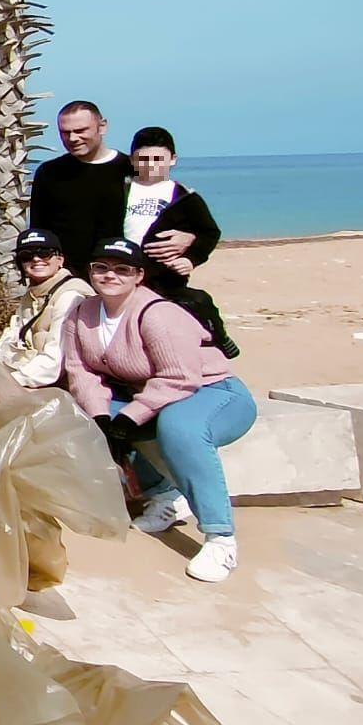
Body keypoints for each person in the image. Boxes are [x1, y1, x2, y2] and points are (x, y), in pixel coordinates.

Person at [63, 239, 255, 583]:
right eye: (101, 267)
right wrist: (102, 417)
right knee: (80, 419)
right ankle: (166, 495)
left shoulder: (158, 314)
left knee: (178, 427)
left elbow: (180, 377)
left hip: (213, 392)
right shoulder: (82, 313)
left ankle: (220, 537)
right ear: (90, 271)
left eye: (122, 269)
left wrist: (129, 416)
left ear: (139, 275)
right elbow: (81, 371)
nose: (110, 275)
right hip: (156, 394)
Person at [124, 127, 235, 357]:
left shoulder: (185, 196)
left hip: (167, 276)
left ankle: (218, 341)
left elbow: (209, 232)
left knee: (197, 303)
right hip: (124, 273)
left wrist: (190, 259)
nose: (150, 165)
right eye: (143, 159)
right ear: (133, 159)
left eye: (158, 159)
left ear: (172, 159)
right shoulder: (121, 190)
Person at [29, 101, 132, 276]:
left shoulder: (130, 169)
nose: (72, 138)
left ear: (102, 127)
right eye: (65, 133)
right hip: (67, 275)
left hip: (119, 273)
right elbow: (39, 230)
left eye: (80, 131)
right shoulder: (49, 172)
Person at [0, 228, 92, 389]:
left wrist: (8, 382)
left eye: (44, 253)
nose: (36, 259)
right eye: (26, 255)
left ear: (60, 259)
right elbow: (12, 336)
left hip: (61, 384)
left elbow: (54, 362)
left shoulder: (71, 296)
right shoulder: (32, 293)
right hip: (27, 373)